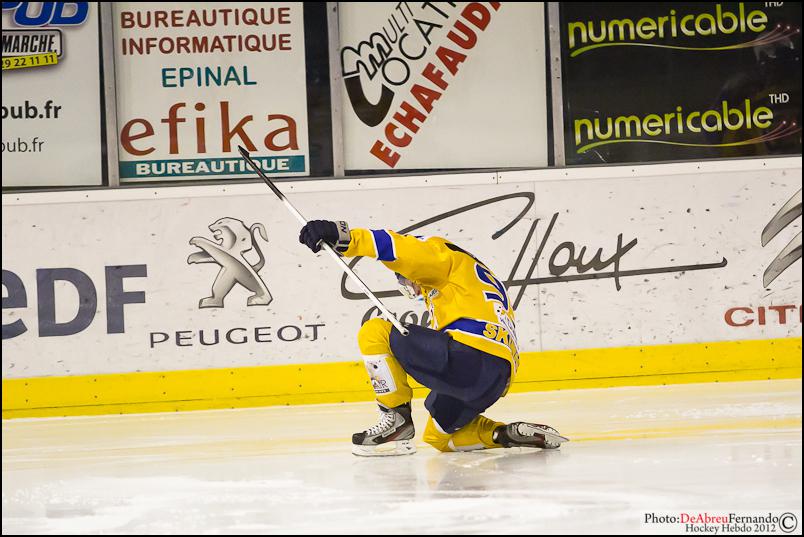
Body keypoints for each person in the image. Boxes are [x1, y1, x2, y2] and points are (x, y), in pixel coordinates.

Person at [299, 220, 568, 456]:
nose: (411, 288)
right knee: (438, 438)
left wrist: (344, 237)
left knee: (375, 331)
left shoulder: (442, 256)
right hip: (496, 379)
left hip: (470, 357)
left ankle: (395, 419)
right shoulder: (473, 282)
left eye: (405, 281)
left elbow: (399, 248)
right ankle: (503, 434)